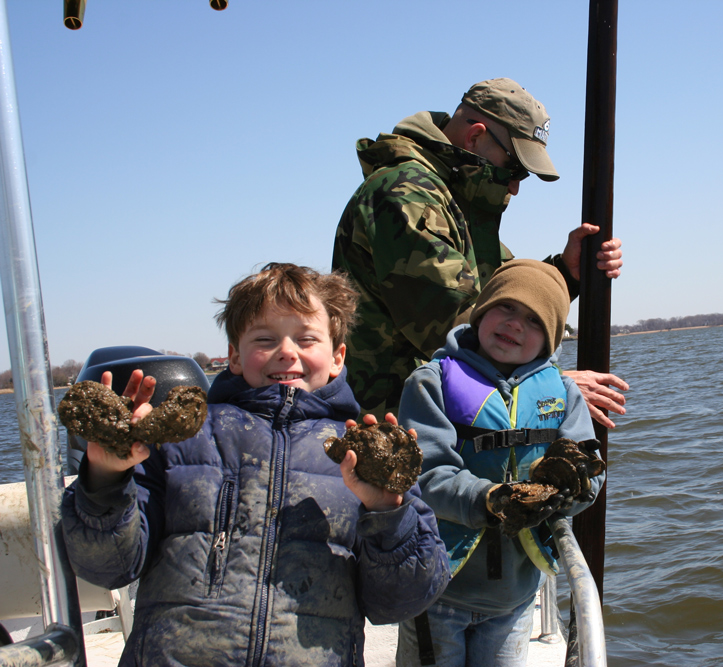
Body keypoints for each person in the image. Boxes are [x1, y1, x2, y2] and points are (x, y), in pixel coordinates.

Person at [61, 262, 450, 667]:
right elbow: (108, 566)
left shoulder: (366, 456)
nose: (286, 351)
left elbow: (401, 601)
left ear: (337, 358)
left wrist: (389, 512)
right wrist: (106, 477)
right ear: (234, 355)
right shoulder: (179, 441)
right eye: (265, 338)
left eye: (306, 338)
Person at [332, 77, 628, 427]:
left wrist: (567, 273)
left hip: (439, 420)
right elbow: (457, 323)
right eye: (514, 168)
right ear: (475, 136)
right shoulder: (406, 195)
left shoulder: (451, 198)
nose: (515, 187)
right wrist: (551, 384)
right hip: (396, 428)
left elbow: (499, 292)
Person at [393, 259, 605, 667]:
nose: (515, 324)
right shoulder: (430, 381)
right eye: (506, 307)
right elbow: (426, 473)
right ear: (481, 311)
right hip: (436, 590)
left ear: (550, 338)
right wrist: (491, 499)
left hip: (514, 599)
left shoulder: (563, 392)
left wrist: (564, 491)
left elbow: (590, 478)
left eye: (533, 319)